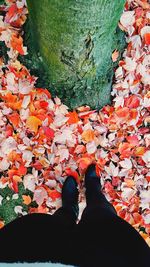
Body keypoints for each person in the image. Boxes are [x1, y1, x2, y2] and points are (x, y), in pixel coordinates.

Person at [0, 164, 149, 266]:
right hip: (116, 259)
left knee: (57, 225)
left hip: (28, 256)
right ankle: (93, 191)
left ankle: (70, 209)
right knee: (102, 217)